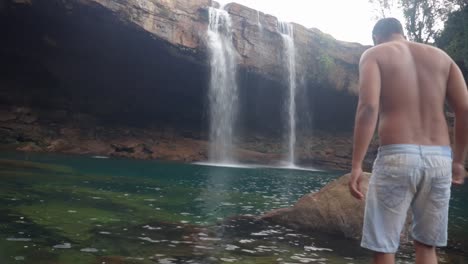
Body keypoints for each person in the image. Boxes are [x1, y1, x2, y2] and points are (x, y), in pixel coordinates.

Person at [348, 17, 468, 264]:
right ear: (402, 32)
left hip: (397, 156)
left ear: (376, 37)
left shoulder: (375, 54)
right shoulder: (443, 58)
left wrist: (356, 164)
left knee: (384, 246)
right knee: (426, 246)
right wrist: (458, 161)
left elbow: (368, 108)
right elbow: (465, 109)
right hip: (440, 159)